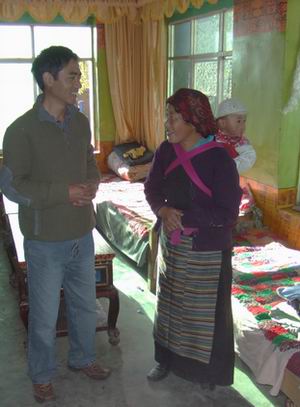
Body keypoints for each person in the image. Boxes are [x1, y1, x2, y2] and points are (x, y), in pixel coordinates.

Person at [2, 46, 110, 403]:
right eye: (72, 75)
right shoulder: (20, 131)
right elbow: (13, 186)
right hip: (45, 241)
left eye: (79, 75)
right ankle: (42, 373)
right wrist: (63, 192)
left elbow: (90, 163)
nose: (79, 82)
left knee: (84, 305)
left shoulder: (80, 121)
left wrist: (92, 185)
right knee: (45, 315)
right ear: (48, 80)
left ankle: (84, 358)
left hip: (82, 232)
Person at [144, 88, 242, 388]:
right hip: (173, 246)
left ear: (193, 120)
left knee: (204, 316)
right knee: (170, 305)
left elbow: (227, 213)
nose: (167, 123)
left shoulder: (219, 160)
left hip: (207, 251)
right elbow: (152, 189)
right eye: (167, 117)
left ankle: (206, 375)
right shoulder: (165, 151)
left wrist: (184, 217)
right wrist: (162, 210)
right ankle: (165, 360)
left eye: (174, 118)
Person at [215, 98, 256, 174]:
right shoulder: (212, 139)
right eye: (238, 121)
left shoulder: (242, 143)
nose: (243, 125)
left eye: (244, 121)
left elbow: (249, 157)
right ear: (222, 123)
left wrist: (228, 166)